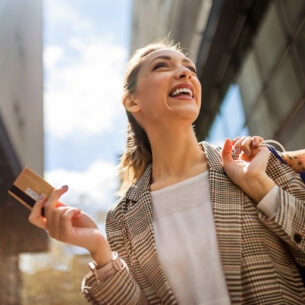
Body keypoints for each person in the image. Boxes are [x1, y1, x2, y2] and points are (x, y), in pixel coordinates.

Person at [29, 40, 305, 304]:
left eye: (190, 69)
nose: (185, 72)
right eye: (162, 66)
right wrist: (101, 252)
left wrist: (261, 187)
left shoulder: (254, 162)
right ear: (133, 101)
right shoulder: (123, 218)